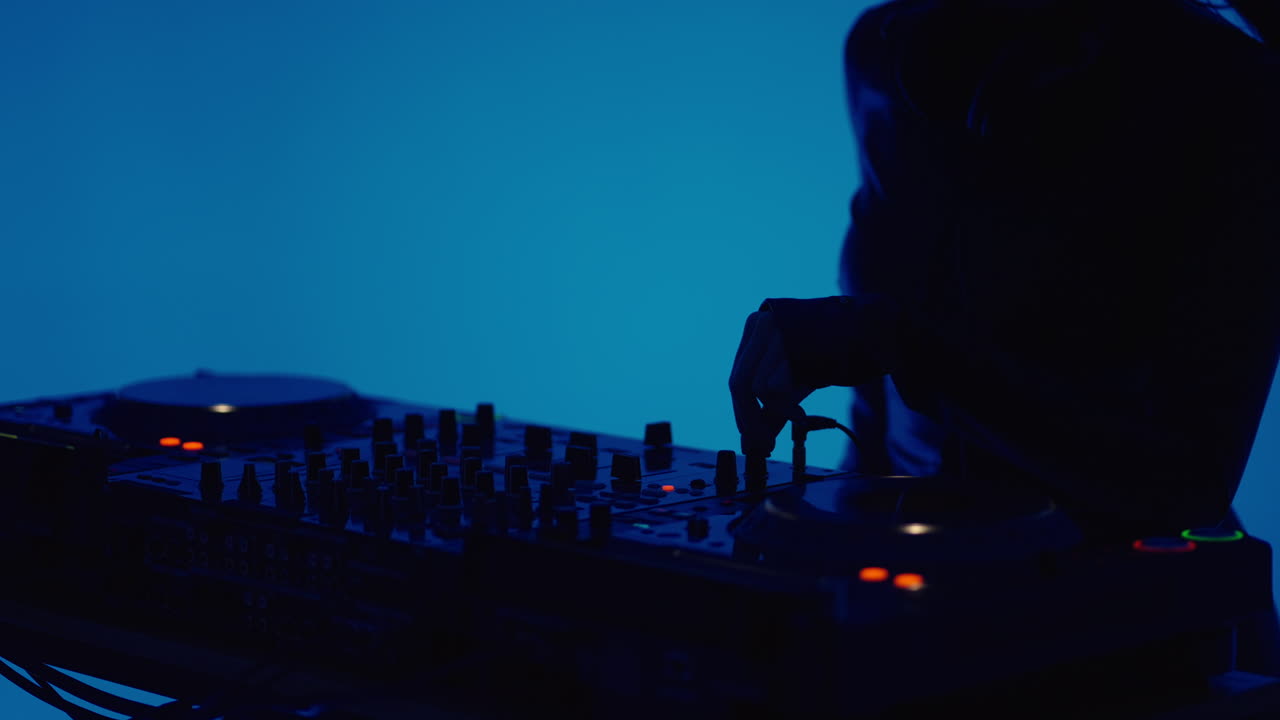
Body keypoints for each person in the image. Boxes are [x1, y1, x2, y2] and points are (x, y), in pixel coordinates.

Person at [731, 0, 1280, 539]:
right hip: (921, 592)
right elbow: (877, 384)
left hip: (1116, 605)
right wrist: (821, 535)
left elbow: (1190, 482)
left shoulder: (1231, 93)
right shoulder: (887, 50)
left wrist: (893, 341)